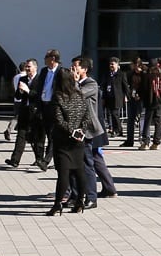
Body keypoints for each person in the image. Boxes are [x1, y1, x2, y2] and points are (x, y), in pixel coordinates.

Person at [46, 67, 89, 216]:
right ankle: (80, 201)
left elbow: (58, 120)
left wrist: (71, 131)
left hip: (63, 140)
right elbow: (87, 116)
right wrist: (80, 131)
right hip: (78, 140)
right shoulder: (80, 95)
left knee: (63, 173)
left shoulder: (58, 96)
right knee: (79, 171)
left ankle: (57, 204)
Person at [73, 55, 115, 202]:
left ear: (84, 69)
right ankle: (76, 193)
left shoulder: (91, 84)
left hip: (89, 130)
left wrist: (74, 81)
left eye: (76, 67)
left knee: (88, 162)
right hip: (76, 129)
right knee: (78, 162)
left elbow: (77, 95)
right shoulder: (78, 83)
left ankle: (92, 196)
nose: (73, 70)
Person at [29, 49, 65, 170]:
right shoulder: (44, 71)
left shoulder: (62, 72)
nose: (44, 59)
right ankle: (45, 159)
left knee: (53, 135)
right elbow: (40, 89)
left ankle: (46, 160)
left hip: (54, 107)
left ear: (53, 58)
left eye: (46, 57)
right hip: (43, 106)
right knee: (43, 134)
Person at [6, 59, 39, 168]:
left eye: (29, 67)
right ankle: (15, 160)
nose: (27, 69)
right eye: (26, 67)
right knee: (21, 135)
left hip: (35, 111)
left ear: (35, 67)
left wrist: (27, 90)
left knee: (35, 137)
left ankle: (39, 159)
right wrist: (20, 91)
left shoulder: (39, 80)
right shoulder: (22, 78)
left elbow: (38, 96)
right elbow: (18, 96)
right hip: (24, 109)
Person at [140, 58, 161, 150]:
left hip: (150, 102)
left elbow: (143, 90)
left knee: (147, 122)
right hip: (159, 103)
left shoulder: (147, 77)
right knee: (158, 123)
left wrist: (143, 99)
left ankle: (145, 142)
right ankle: (156, 143)